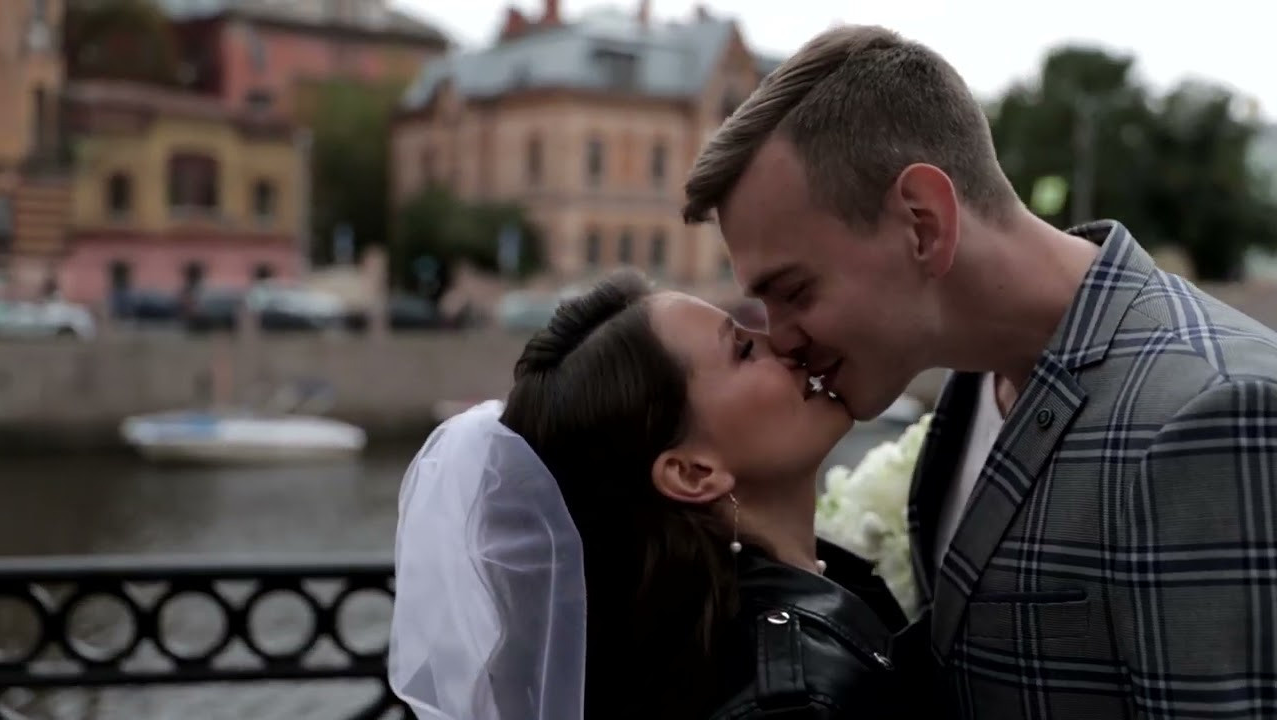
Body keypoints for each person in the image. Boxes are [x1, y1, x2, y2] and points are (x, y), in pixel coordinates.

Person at [683, 22, 1277, 720]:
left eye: (795, 292)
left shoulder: (1211, 411)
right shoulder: (969, 383)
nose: (781, 341)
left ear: (923, 222)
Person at [389, 270, 935, 720]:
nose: (788, 344)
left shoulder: (741, 630)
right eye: (744, 348)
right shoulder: (788, 702)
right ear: (693, 472)